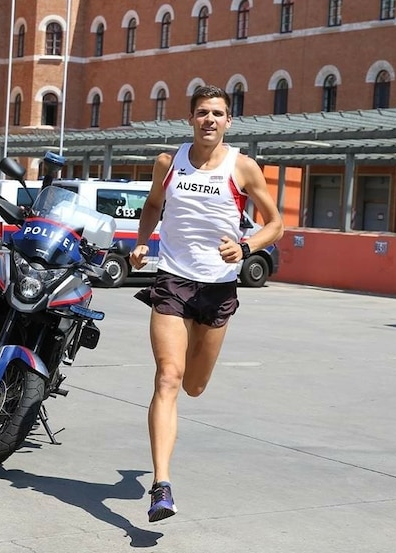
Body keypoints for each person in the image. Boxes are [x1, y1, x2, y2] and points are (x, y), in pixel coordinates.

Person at [129, 84, 284, 522]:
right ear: (191, 119)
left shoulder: (244, 168)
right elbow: (153, 206)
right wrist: (142, 243)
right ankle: (162, 486)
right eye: (202, 112)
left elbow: (276, 224)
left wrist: (247, 246)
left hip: (217, 290)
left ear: (228, 122)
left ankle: (159, 474)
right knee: (168, 379)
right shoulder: (168, 162)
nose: (209, 119)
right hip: (173, 281)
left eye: (217, 113)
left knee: (194, 386)